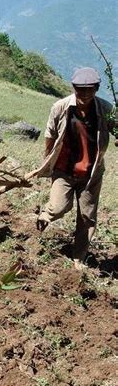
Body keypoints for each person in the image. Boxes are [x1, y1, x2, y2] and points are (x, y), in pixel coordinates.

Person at [27, 67, 116, 269]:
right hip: (64, 169)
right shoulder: (61, 107)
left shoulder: (105, 110)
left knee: (87, 217)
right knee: (59, 207)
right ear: (74, 88)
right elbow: (50, 135)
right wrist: (47, 162)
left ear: (96, 89)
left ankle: (79, 257)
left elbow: (116, 128)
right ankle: (45, 215)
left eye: (89, 89)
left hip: (91, 173)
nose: (84, 94)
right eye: (80, 89)